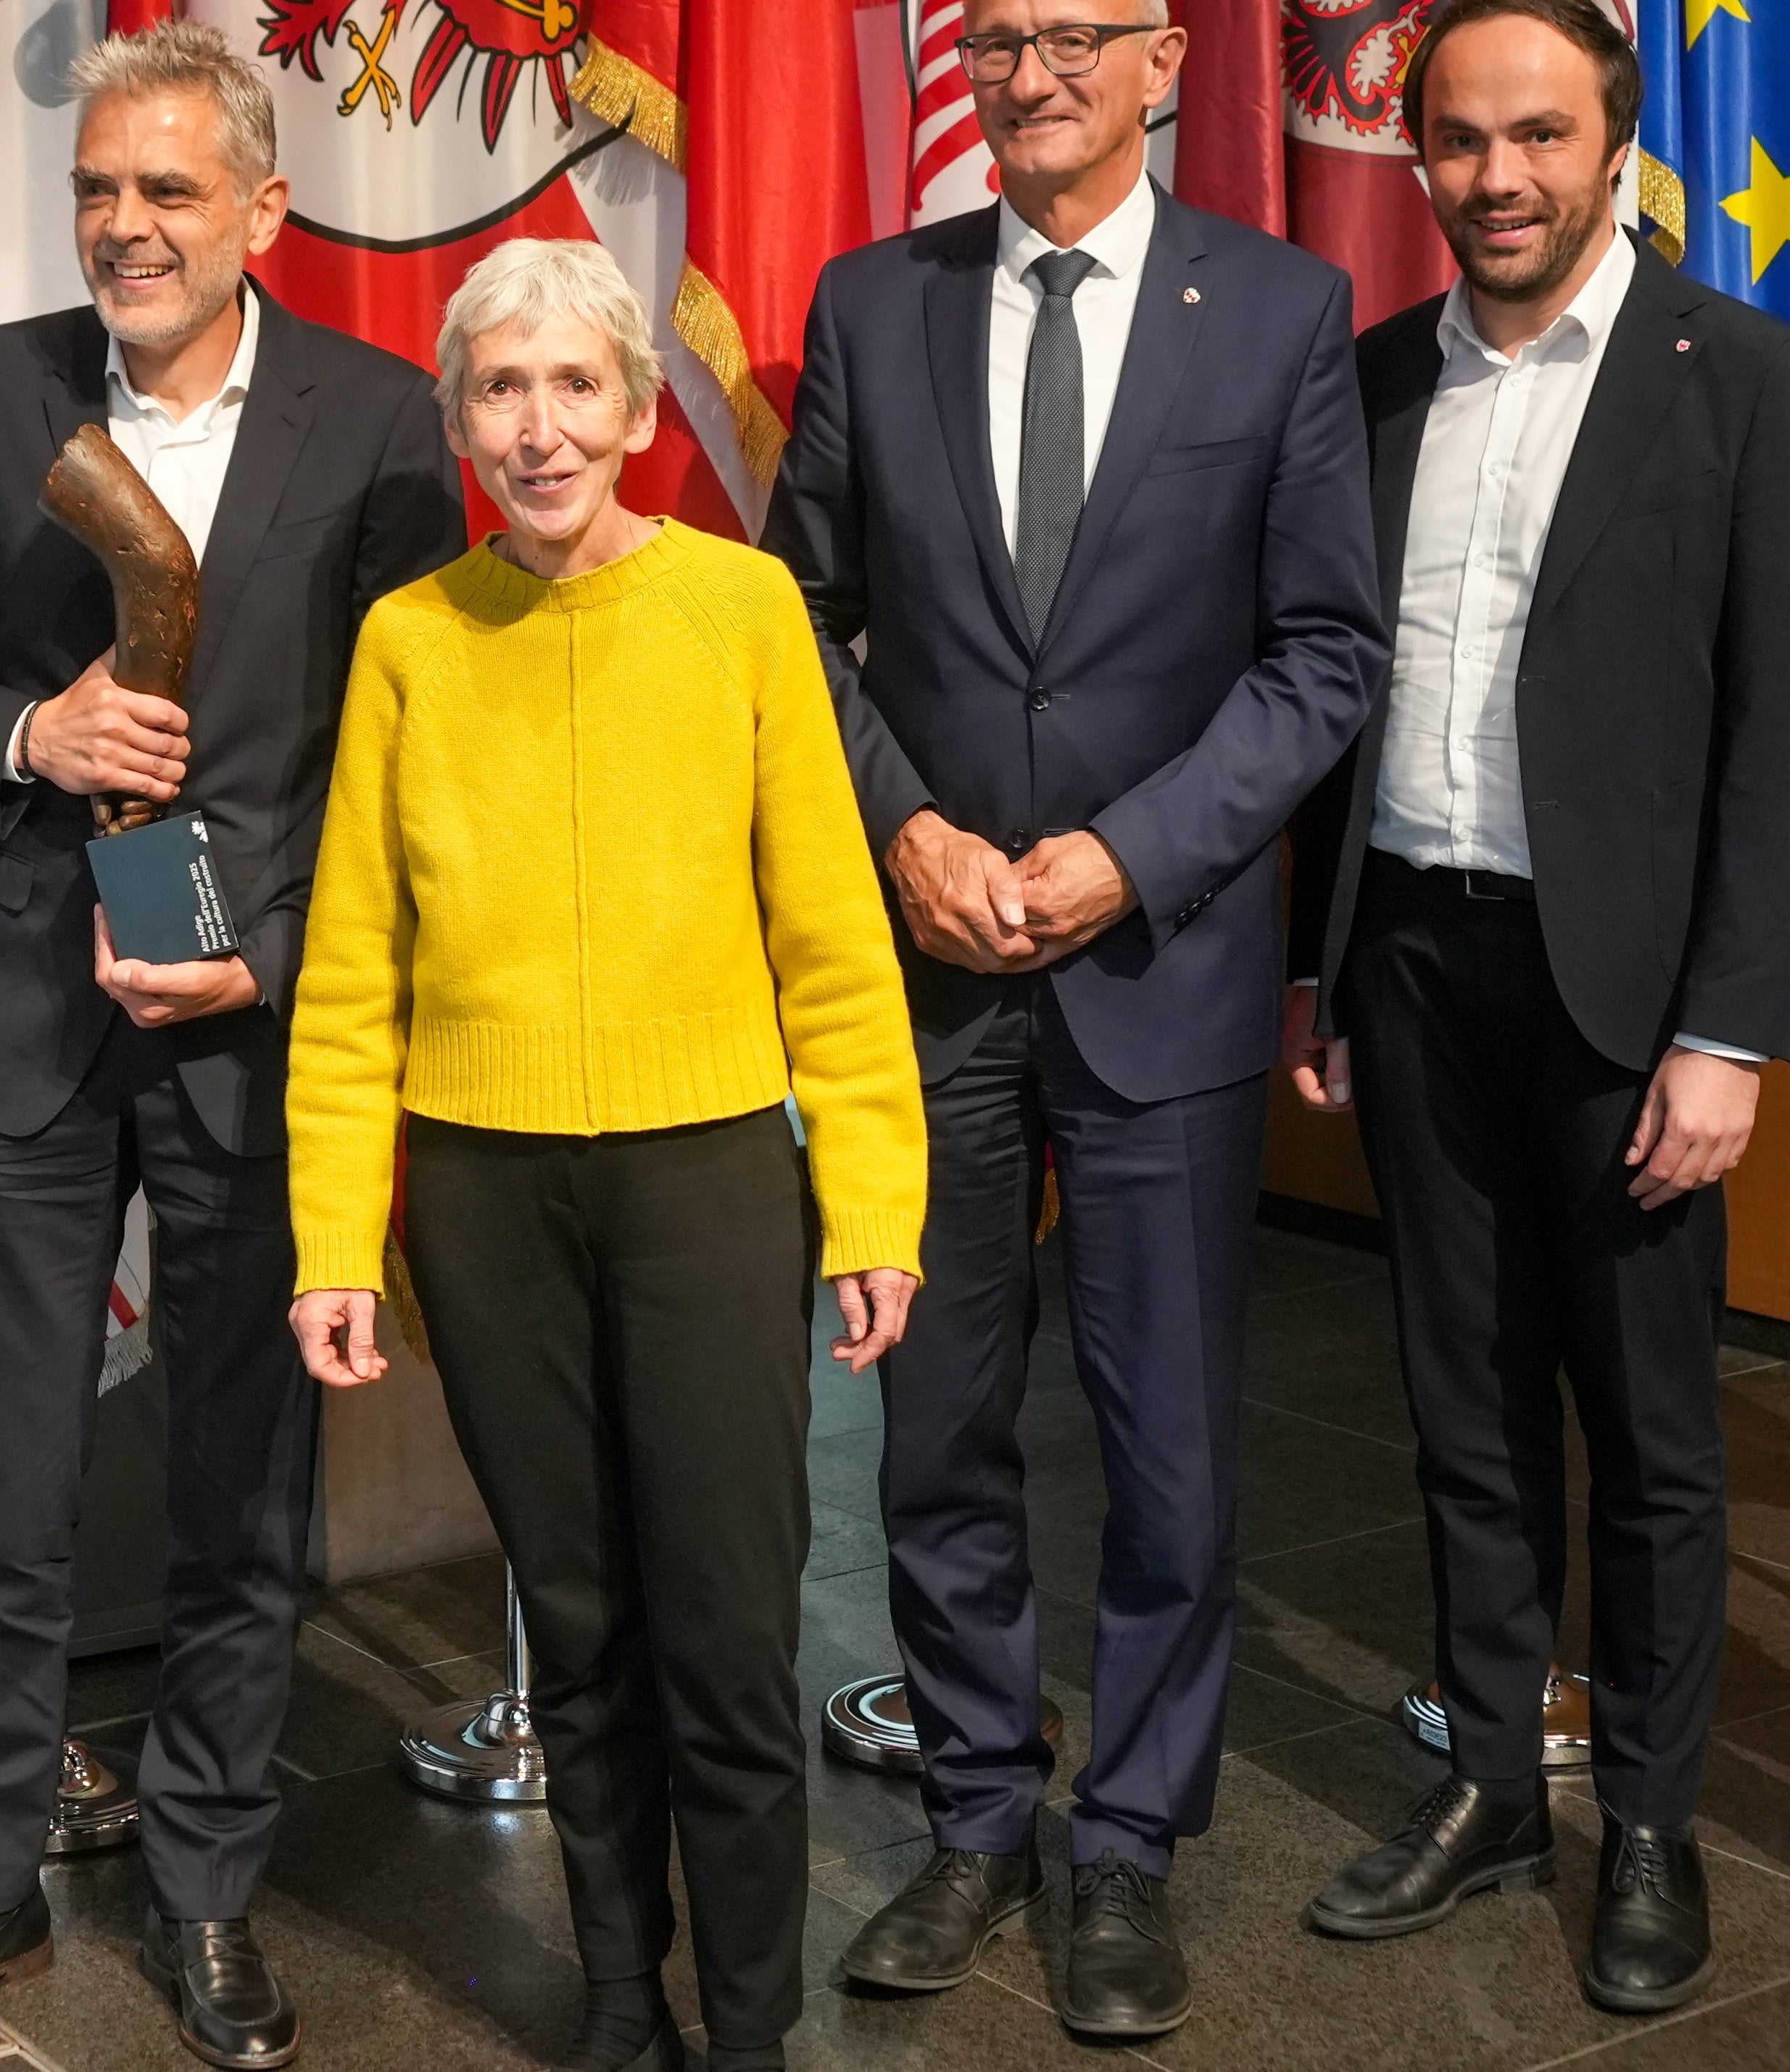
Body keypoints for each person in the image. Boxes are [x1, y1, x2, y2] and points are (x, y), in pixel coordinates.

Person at [0, 23, 465, 2065]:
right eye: (98, 188)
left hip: (255, 1031)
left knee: (238, 1488)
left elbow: (409, 750)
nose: (125, 225)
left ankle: (205, 1889)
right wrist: (33, 729)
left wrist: (270, 957)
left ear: (263, 207)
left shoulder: (380, 419)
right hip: (24, 1008)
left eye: (169, 189)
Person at [760, 0, 1385, 2038]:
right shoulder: (875, 304)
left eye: (1076, 35)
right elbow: (797, 620)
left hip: (1158, 967)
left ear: (1164, 63)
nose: (1030, 74)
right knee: (934, 1428)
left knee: (1166, 1445)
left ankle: (1125, 1844)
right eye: (999, 37)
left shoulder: (1278, 312)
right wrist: (906, 830)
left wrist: (1133, 853)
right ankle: (973, 1815)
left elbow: (1322, 653)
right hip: (931, 970)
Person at [283, 238, 927, 2072]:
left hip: (709, 1182)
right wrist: (335, 1240)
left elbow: (833, 938)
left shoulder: (743, 609)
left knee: (726, 1636)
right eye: (502, 388)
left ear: (641, 409)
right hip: (485, 1201)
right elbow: (352, 973)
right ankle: (623, 2008)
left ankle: (751, 2026)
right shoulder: (412, 640)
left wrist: (873, 1202)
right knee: (575, 1633)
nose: (541, 426)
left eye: (578, 384)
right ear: (461, 422)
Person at [1279, 0, 1790, 2016]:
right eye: (1458, 138)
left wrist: (1728, 1027)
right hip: (1416, 965)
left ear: (1615, 142)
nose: (1497, 176)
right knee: (1463, 1405)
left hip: (1631, 999)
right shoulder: (1371, 381)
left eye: (1538, 135)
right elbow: (1330, 693)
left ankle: (1654, 1824)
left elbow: (1778, 728)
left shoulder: (1743, 374)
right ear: (1417, 155)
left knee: (1649, 1429)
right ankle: (1494, 1784)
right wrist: (1321, 957)